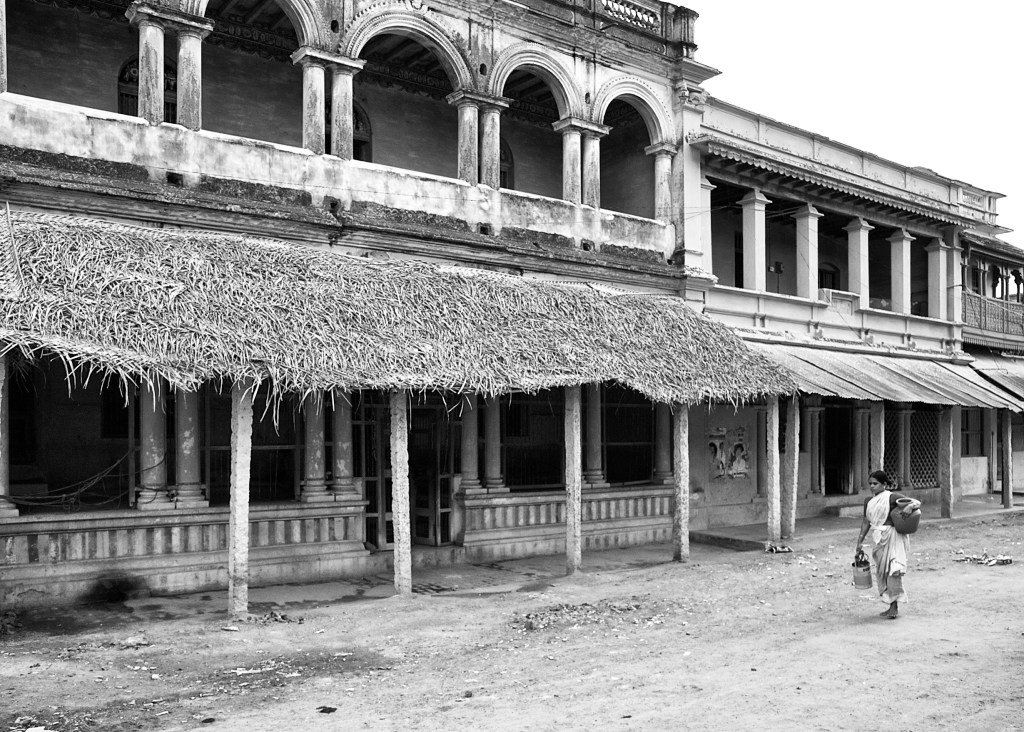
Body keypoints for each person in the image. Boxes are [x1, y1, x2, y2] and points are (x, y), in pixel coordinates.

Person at [855, 470, 922, 619]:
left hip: (893, 538)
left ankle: (894, 607)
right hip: (879, 538)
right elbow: (866, 521)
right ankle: (891, 603)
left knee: (894, 570)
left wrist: (910, 507)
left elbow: (916, 502)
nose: (872, 486)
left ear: (884, 484)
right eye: (870, 484)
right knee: (883, 572)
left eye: (875, 483)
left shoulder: (892, 497)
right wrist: (859, 541)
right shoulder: (868, 501)